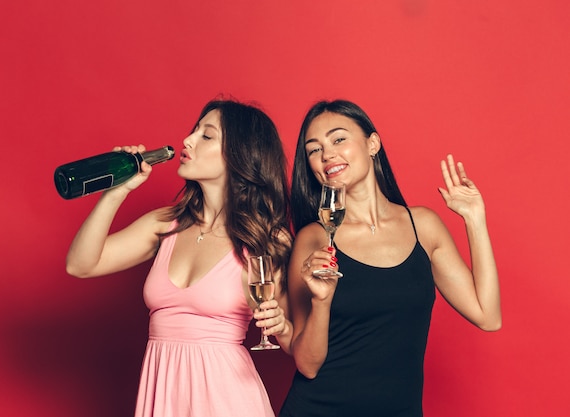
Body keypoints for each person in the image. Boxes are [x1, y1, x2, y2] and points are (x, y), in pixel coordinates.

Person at [65, 98, 293, 417]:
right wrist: (116, 192)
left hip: (228, 399)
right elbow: (80, 264)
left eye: (206, 135)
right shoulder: (166, 223)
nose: (188, 140)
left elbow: (295, 342)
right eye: (194, 130)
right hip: (164, 394)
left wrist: (281, 324)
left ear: (240, 155)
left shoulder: (266, 239)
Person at [278, 99, 501, 417]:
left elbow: (488, 316)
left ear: (372, 144)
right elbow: (308, 365)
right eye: (314, 149)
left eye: (338, 139)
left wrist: (475, 220)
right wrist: (321, 301)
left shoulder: (423, 225)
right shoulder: (314, 238)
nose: (327, 154)